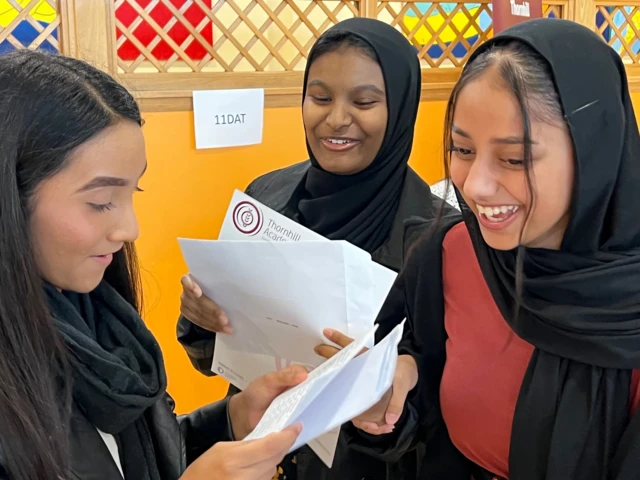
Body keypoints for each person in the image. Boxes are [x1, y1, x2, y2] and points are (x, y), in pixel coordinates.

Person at [316, 18, 640, 480]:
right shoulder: (447, 255)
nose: (476, 185)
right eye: (462, 150)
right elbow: (422, 410)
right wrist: (386, 399)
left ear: (594, 152)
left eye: (514, 159)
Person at [0, 49, 307, 480]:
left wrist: (232, 420)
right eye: (100, 202)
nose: (130, 228)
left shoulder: (97, 316)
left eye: (133, 194)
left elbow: (128, 460)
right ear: (11, 197)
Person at [176, 17, 446, 480]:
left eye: (363, 102)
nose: (336, 118)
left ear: (401, 109)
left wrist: (380, 393)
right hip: (260, 461)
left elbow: (441, 408)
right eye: (319, 97)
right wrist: (202, 319)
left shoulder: (437, 237)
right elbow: (218, 364)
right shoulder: (267, 198)